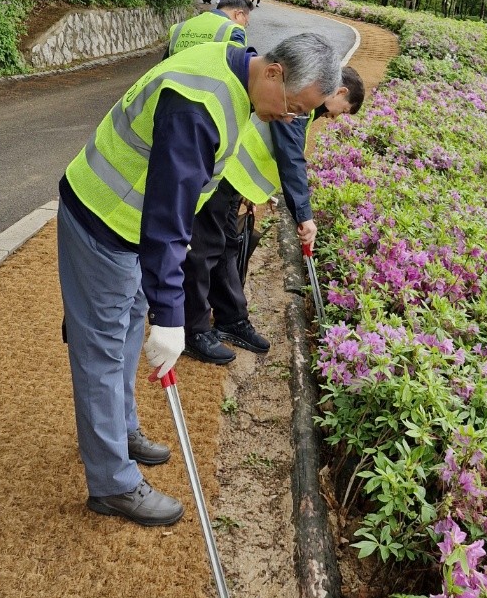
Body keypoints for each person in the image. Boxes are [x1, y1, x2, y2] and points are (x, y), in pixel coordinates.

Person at [56, 32, 341, 527]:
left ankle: (120, 430)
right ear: (273, 71)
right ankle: (112, 484)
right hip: (103, 216)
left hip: (131, 223)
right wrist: (172, 319)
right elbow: (166, 217)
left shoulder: (235, 74)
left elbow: (181, 199)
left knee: (125, 333)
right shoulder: (200, 105)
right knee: (102, 348)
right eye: (294, 106)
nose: (291, 119)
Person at [183, 66, 366, 363]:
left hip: (233, 184)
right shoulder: (299, 100)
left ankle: (232, 319)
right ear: (340, 91)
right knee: (203, 252)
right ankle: (193, 331)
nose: (336, 118)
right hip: (220, 178)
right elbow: (290, 157)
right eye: (343, 111)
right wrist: (304, 215)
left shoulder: (308, 107)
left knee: (227, 248)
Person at [167, 0, 252, 56]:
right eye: (246, 23)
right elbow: (240, 70)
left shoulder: (179, 28)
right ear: (239, 14)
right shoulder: (234, 31)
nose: (244, 27)